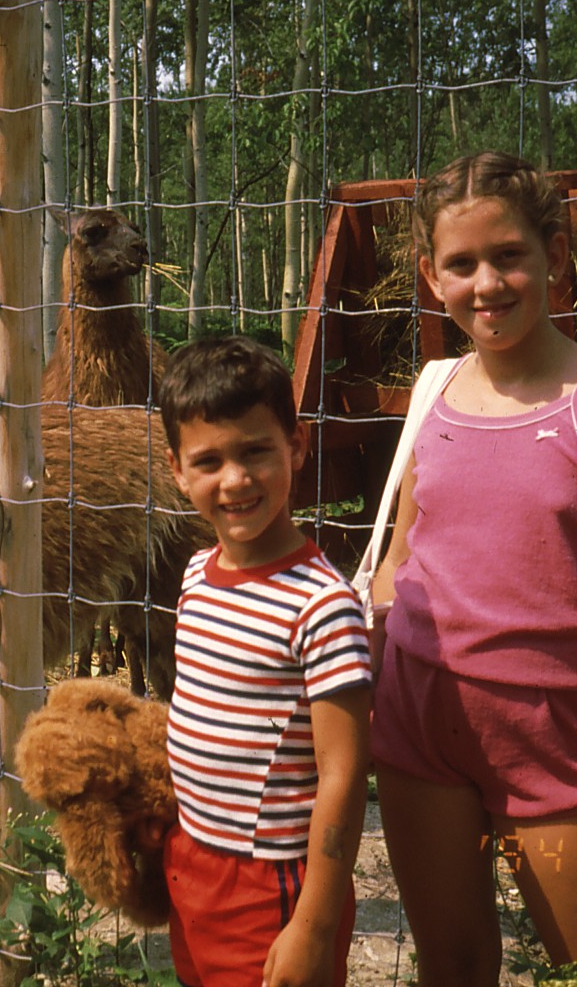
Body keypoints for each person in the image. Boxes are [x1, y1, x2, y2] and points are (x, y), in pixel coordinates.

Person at [367, 151, 577, 984]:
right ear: (431, 276)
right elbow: (400, 559)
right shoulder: (433, 393)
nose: (487, 283)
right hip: (417, 726)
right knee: (453, 964)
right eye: (461, 264)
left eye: (509, 255)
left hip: (555, 742)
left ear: (556, 254)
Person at [158, 335, 374, 987]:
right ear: (177, 470)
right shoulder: (197, 575)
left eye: (255, 451)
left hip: (271, 883)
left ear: (296, 446)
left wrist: (313, 924)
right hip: (192, 860)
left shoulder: (322, 606)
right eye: (208, 461)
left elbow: (343, 774)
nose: (235, 480)